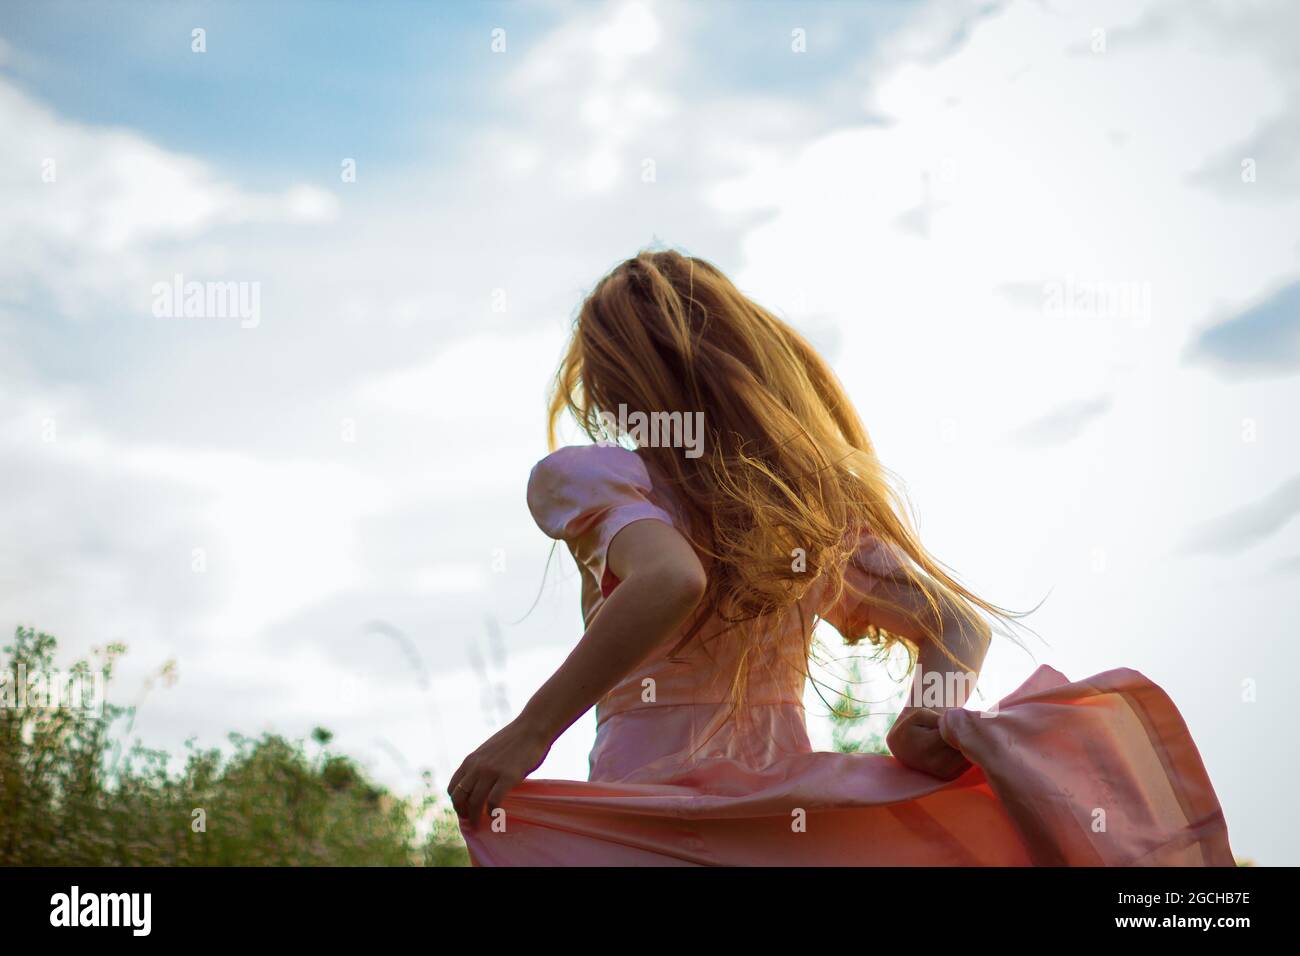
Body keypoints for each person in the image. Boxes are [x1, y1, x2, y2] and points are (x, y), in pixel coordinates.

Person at [450, 250, 1233, 866]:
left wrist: (528, 733)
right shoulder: (799, 517)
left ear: (615, 375)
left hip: (647, 806)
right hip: (781, 819)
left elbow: (670, 579)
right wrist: (925, 712)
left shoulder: (597, 475)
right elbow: (955, 624)